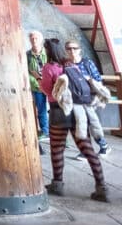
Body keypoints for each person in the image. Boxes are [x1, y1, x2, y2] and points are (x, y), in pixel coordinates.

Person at [41, 38, 108, 202]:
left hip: (59, 112)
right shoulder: (71, 66)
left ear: (48, 51)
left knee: (57, 149)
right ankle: (102, 187)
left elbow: (48, 91)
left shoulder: (50, 68)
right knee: (87, 148)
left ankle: (57, 184)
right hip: (78, 113)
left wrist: (38, 80)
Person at [67, 40, 111, 156]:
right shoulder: (67, 65)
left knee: (92, 123)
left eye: (74, 48)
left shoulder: (87, 63)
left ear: (79, 50)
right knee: (81, 124)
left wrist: (88, 80)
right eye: (69, 48)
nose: (72, 51)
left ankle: (103, 145)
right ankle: (88, 150)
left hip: (89, 99)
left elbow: (98, 80)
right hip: (75, 99)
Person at [26, 30, 49, 141]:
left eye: (36, 38)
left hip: (50, 85)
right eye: (32, 38)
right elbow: (27, 72)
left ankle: (57, 131)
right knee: (41, 109)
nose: (34, 40)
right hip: (37, 87)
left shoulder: (48, 53)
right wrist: (38, 84)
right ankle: (45, 131)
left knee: (56, 110)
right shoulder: (28, 55)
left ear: (41, 39)